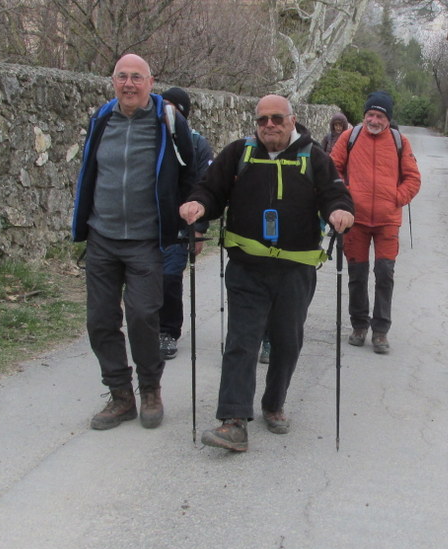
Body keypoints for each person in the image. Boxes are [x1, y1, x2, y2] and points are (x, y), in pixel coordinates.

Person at [179, 95, 354, 452]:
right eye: (262, 120)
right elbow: (210, 188)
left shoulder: (313, 157)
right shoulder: (238, 154)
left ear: (292, 120)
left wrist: (340, 211)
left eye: (276, 118)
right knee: (242, 341)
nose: (269, 125)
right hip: (247, 267)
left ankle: (274, 404)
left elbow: (335, 193)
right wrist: (199, 205)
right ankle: (233, 421)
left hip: (296, 269)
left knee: (287, 342)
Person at [71, 54, 195, 431]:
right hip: (102, 237)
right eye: (122, 77)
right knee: (100, 321)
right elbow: (89, 171)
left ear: (150, 82)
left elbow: (189, 173)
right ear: (113, 81)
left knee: (143, 316)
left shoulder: (169, 121)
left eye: (136, 77)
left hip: (145, 239)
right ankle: (121, 395)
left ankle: (150, 389)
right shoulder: (102, 118)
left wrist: (189, 221)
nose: (129, 84)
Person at [329, 91, 421, 354]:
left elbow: (413, 178)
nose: (374, 119)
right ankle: (359, 326)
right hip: (354, 221)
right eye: (370, 114)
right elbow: (331, 168)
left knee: (384, 274)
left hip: (387, 221)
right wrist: (343, 196)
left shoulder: (399, 141)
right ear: (364, 115)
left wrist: (396, 198)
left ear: (388, 119)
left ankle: (380, 331)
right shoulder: (350, 137)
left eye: (380, 116)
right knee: (357, 276)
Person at [158, 87, 213, 360]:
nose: (166, 112)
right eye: (163, 105)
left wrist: (199, 230)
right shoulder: (149, 139)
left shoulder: (197, 144)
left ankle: (168, 331)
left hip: (180, 226)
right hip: (148, 224)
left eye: (173, 108)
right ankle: (146, 329)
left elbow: (207, 186)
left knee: (169, 277)